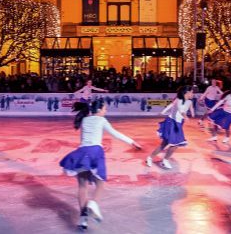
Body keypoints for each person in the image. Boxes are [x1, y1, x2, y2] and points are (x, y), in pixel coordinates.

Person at [60, 100, 142, 230]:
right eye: (105, 109)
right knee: (100, 183)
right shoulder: (101, 120)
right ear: (99, 110)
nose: (106, 111)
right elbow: (116, 134)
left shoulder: (84, 120)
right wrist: (132, 142)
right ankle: (93, 204)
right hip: (95, 152)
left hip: (82, 153)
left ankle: (83, 219)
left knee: (82, 186)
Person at [146, 86, 195, 169]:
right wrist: (163, 112)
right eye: (192, 92)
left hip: (178, 124)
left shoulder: (189, 102)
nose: (193, 94)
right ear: (187, 92)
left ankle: (151, 158)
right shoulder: (179, 100)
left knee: (166, 143)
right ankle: (164, 160)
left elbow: (190, 108)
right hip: (171, 123)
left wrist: (192, 114)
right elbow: (180, 109)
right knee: (175, 144)